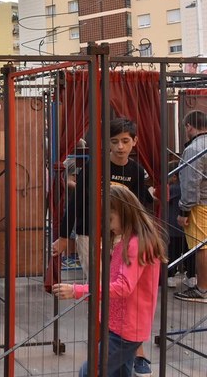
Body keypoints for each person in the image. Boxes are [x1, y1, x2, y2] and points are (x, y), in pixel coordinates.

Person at [53, 117, 155, 375]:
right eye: (114, 142)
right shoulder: (94, 167)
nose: (120, 147)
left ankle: (128, 347)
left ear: (135, 142)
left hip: (124, 236)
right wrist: (66, 235)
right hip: (92, 233)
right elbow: (76, 200)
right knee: (102, 285)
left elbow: (144, 207)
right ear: (106, 143)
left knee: (123, 288)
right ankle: (110, 341)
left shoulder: (137, 171)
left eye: (125, 141)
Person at [52, 185, 166, 377]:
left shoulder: (136, 244)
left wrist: (77, 290)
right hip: (123, 326)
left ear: (124, 212)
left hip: (125, 329)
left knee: (88, 372)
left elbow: (123, 286)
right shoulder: (130, 241)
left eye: (110, 219)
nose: (108, 225)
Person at [175, 110, 207, 303]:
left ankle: (202, 288)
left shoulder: (195, 148)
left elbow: (190, 183)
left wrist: (184, 211)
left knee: (201, 246)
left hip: (199, 204)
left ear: (189, 126)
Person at [166, 162, 197, 288]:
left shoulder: (173, 189)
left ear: (175, 176)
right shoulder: (189, 189)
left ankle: (171, 276)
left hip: (174, 229)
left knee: (173, 254)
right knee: (190, 254)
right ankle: (191, 277)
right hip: (189, 228)